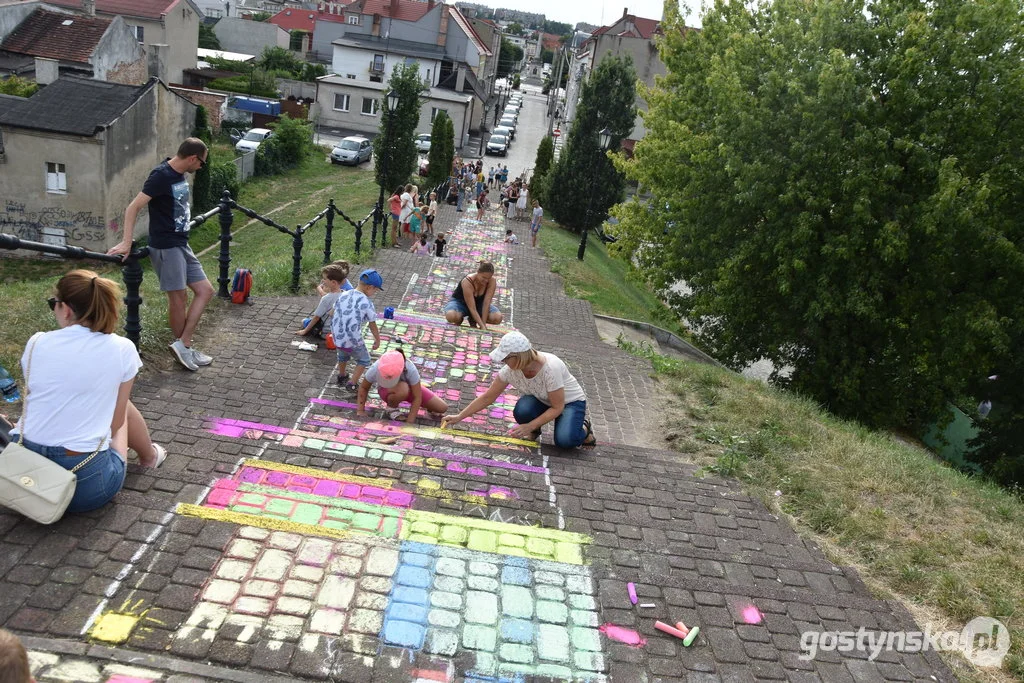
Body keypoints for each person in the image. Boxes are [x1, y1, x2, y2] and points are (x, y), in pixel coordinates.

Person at [9, 270, 167, 517]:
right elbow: (115, 424)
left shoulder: (37, 341)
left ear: (67, 309)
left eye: (54, 304)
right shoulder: (122, 348)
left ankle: (144, 455)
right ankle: (149, 457)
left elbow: (35, 397)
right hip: (85, 488)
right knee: (119, 404)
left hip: (22, 477)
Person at [107, 137, 214, 372]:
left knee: (205, 291)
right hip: (166, 246)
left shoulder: (178, 174)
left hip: (181, 243)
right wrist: (127, 242)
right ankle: (184, 348)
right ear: (193, 158)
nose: (201, 168)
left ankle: (183, 344)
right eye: (202, 163)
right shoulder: (161, 176)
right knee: (178, 299)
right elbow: (133, 207)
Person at [441, 331, 595, 448]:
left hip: (569, 403)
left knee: (565, 441)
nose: (503, 361)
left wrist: (529, 425)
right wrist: (459, 416)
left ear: (519, 356)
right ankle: (535, 431)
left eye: (506, 358)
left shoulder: (550, 367)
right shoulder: (510, 370)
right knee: (523, 409)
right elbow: (488, 397)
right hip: (543, 400)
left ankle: (584, 429)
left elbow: (558, 407)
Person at [356, 349, 448, 424]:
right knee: (403, 389)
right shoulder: (376, 367)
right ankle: (392, 408)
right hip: (388, 391)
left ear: (402, 369)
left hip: (408, 389)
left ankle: (429, 409)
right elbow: (364, 387)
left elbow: (417, 397)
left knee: (442, 408)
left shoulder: (410, 368)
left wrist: (410, 422)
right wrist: (360, 410)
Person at [332, 269, 383, 390]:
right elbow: (372, 323)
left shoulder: (344, 294)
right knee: (364, 360)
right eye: (375, 290)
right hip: (352, 339)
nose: (375, 292)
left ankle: (342, 375)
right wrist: (377, 339)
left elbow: (332, 312)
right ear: (369, 287)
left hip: (337, 336)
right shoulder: (366, 302)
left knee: (343, 355)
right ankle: (352, 383)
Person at [443, 261, 502, 330]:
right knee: (452, 316)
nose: (486, 281)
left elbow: (486, 304)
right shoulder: (467, 281)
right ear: (478, 272)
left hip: (479, 305)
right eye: (484, 277)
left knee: (497, 318)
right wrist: (482, 326)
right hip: (461, 303)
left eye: (488, 278)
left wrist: (483, 325)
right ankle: (459, 319)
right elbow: (472, 307)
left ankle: (473, 319)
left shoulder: (492, 281)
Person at [296, 264, 348, 337]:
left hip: (326, 332)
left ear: (333, 282)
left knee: (304, 321)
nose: (323, 281)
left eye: (325, 279)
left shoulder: (326, 298)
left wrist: (305, 331)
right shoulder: (346, 295)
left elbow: (316, 317)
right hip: (341, 331)